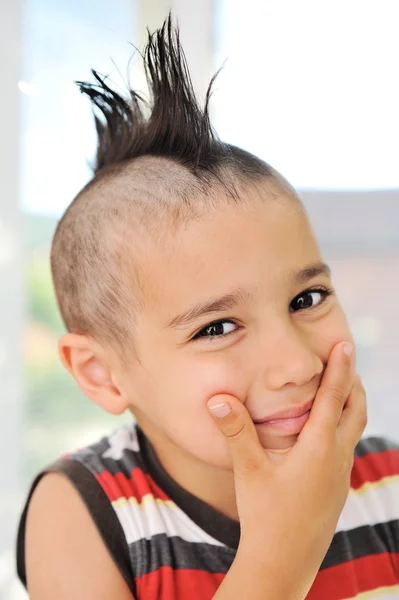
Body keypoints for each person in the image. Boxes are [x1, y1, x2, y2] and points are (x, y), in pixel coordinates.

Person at [16, 15, 399, 600]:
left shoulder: (390, 482)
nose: (296, 365)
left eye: (307, 298)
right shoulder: (82, 510)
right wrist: (282, 554)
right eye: (217, 327)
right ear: (103, 373)